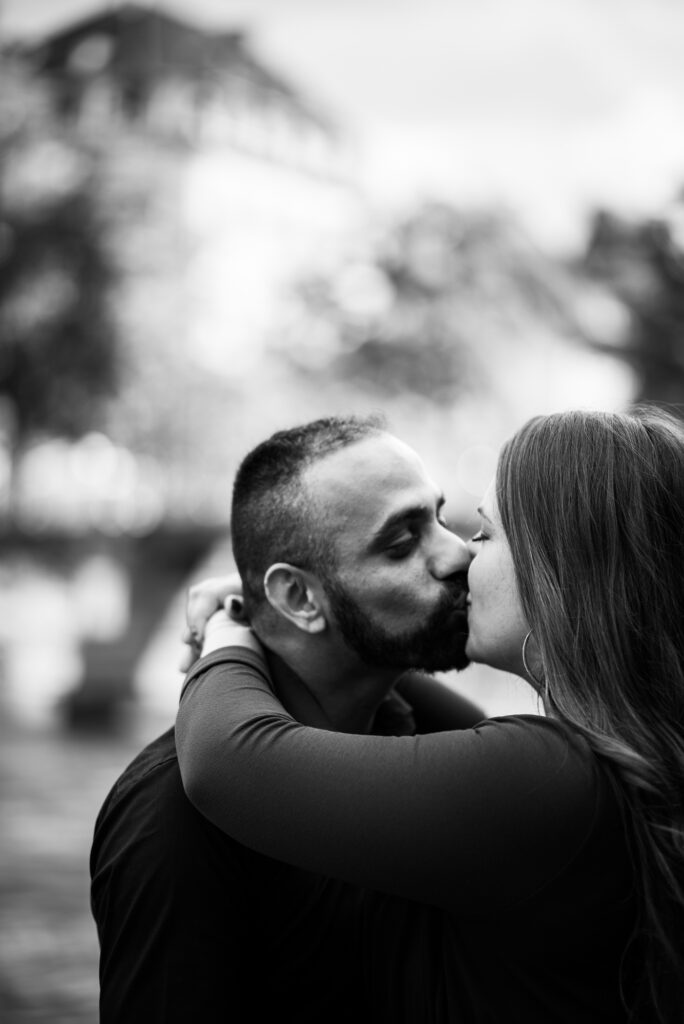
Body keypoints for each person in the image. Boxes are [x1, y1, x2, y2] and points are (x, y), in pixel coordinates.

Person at [176, 406, 684, 1024]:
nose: (463, 558)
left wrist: (233, 625)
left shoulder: (547, 779)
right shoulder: (610, 755)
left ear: (566, 574)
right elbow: (391, 676)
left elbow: (228, 762)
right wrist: (296, 597)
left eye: (486, 534)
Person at [89, 414, 487, 1023]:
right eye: (402, 544)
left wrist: (242, 609)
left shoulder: (426, 727)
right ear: (299, 599)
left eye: (438, 517)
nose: (458, 554)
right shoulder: (174, 818)